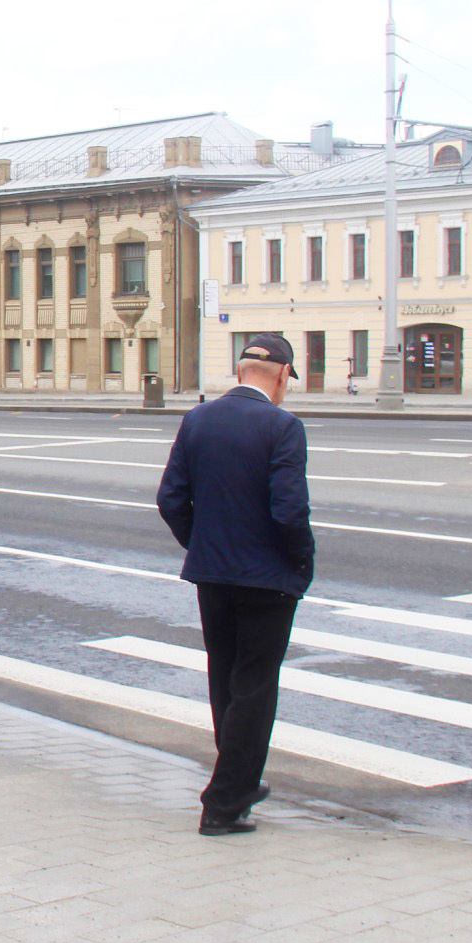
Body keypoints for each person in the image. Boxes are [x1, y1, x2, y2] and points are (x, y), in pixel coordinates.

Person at [154, 333, 315, 836]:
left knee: (225, 681)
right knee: (255, 686)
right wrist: (300, 563)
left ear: (239, 370)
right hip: (268, 579)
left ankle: (239, 781)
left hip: (213, 575)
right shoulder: (283, 426)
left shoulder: (198, 419)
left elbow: (171, 499)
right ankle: (224, 800)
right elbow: (289, 510)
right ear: (284, 375)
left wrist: (199, 544)